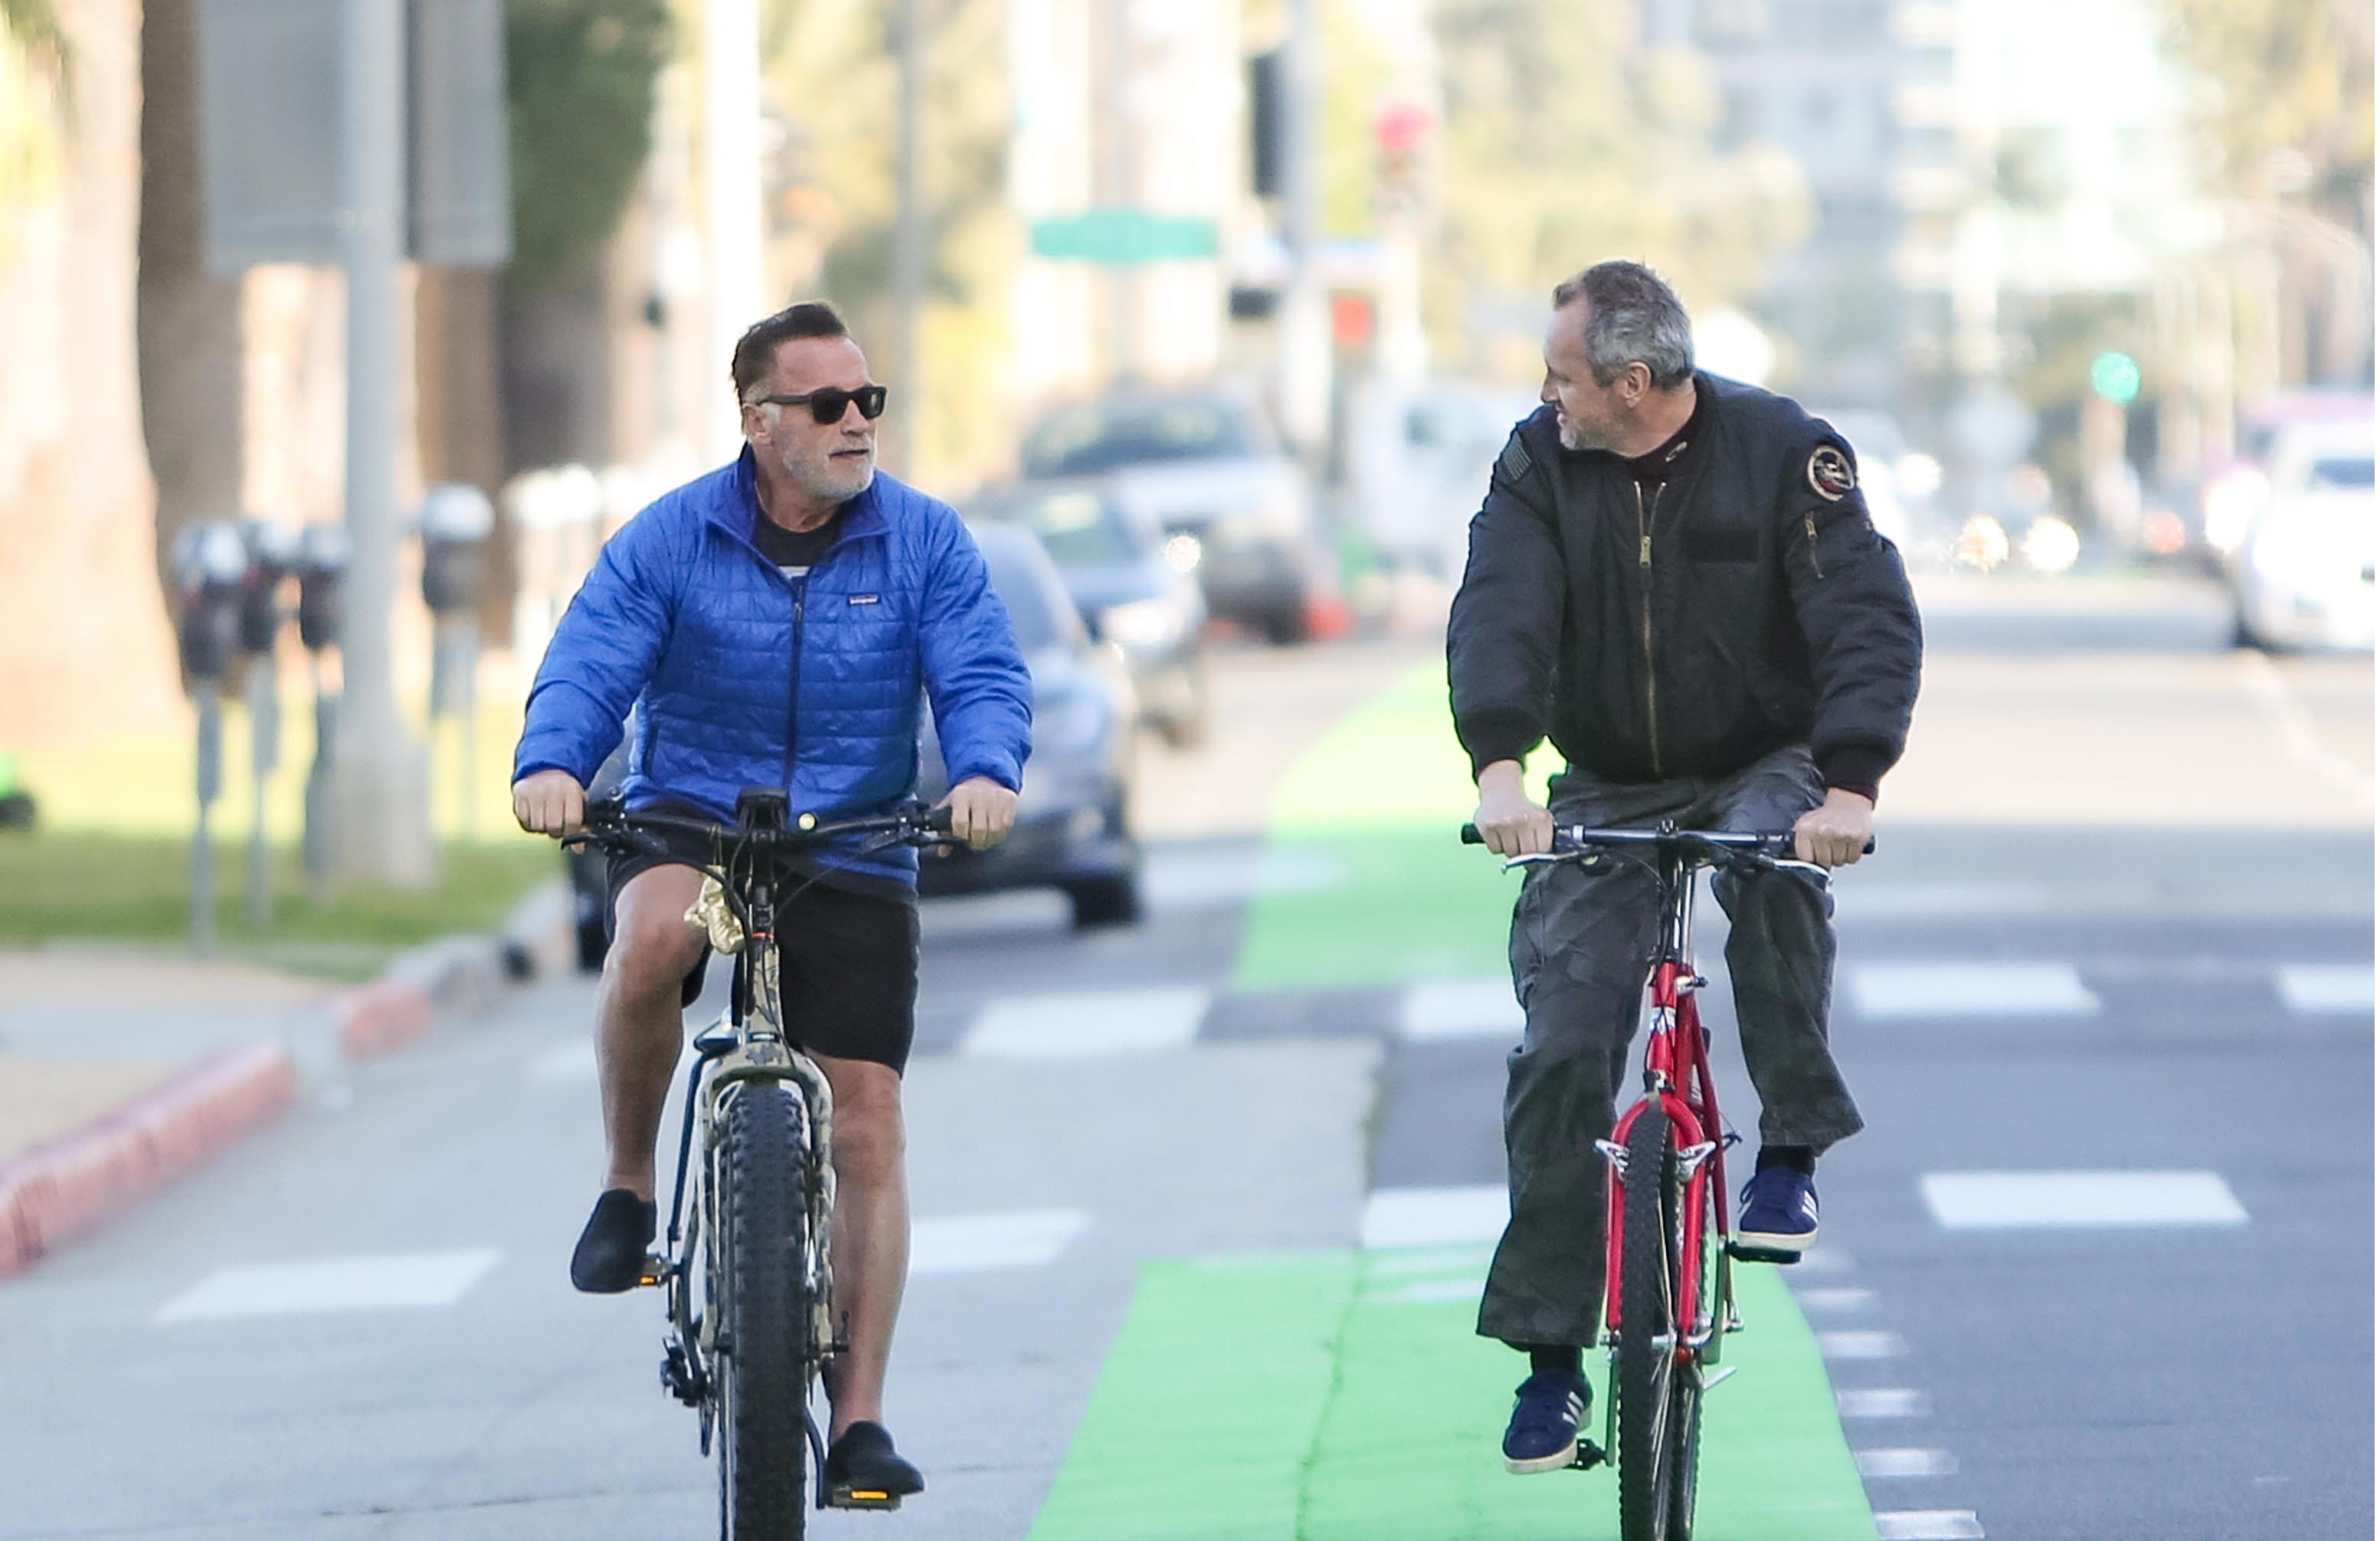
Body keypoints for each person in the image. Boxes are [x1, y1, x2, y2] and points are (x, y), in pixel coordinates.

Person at [509, 300, 1031, 1503]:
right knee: (649, 938)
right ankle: (630, 1189)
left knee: (867, 1124)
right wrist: (553, 760)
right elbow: (593, 654)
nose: (857, 424)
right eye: (826, 405)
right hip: (696, 806)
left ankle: (857, 1422)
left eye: (869, 402)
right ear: (758, 422)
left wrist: (988, 772)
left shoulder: (925, 542)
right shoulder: (671, 537)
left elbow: (979, 666)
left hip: (852, 834)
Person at [1447, 260, 1922, 1474]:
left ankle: (1791, 1153)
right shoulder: (1537, 462)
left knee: (1773, 867)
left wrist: (1851, 784)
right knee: (1560, 1043)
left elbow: (1865, 617)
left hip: (1767, 753)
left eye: (1563, 377)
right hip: (1607, 776)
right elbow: (1499, 603)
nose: (1545, 395)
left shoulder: (1784, 453)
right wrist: (1501, 767)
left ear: (1635, 382)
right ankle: (1551, 1362)